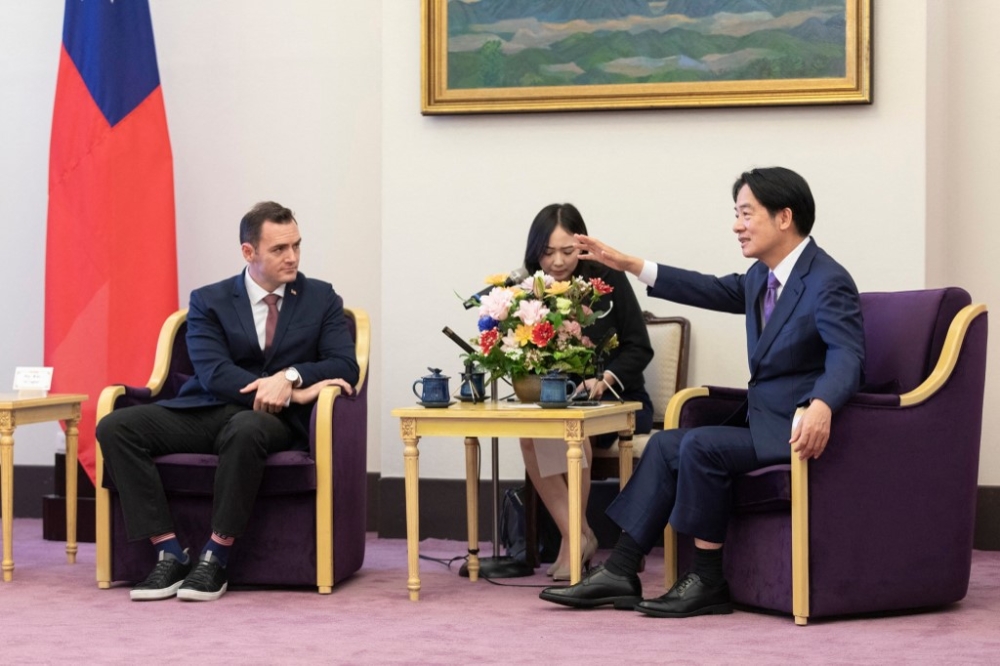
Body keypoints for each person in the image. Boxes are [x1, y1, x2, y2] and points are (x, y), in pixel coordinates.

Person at [539, 167, 865, 617]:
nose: (737, 225)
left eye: (746, 214)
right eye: (737, 214)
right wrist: (631, 264)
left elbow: (847, 355)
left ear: (784, 216)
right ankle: (621, 568)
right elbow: (708, 288)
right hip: (763, 423)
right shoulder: (760, 276)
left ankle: (708, 579)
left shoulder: (827, 280)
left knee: (700, 445)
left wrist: (823, 404)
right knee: (668, 444)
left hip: (794, 430)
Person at [97, 201, 359, 602]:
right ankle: (168, 552)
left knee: (246, 427)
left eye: (296, 245)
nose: (293, 257)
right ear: (248, 252)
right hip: (207, 409)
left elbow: (345, 365)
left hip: (270, 422)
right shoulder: (209, 300)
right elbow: (213, 373)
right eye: (279, 249)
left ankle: (214, 557)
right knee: (115, 426)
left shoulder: (320, 297)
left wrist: (289, 379)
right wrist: (283, 389)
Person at [519, 203, 654, 580]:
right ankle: (577, 534)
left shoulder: (606, 279)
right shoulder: (529, 288)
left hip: (615, 400)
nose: (558, 262)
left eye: (567, 251)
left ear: (582, 245)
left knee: (573, 435)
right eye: (548, 253)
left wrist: (604, 378)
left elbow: (639, 347)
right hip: (559, 403)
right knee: (530, 438)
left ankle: (571, 542)